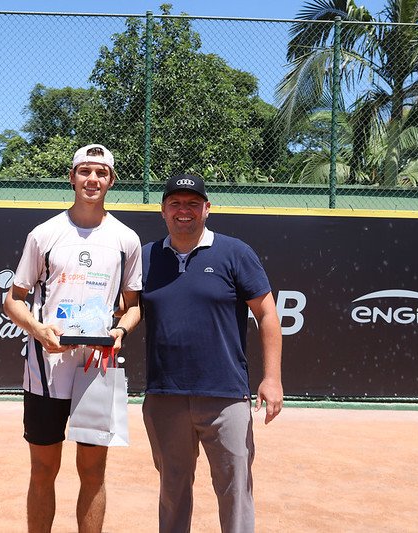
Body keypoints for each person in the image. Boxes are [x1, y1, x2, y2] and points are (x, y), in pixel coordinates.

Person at [3, 144, 142, 533]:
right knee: (44, 469)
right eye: (85, 171)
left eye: (101, 173)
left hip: (97, 369)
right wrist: (38, 330)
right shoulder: (44, 234)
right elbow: (13, 300)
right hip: (46, 369)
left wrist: (119, 331)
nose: (92, 180)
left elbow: (134, 306)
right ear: (72, 177)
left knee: (93, 471)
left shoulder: (125, 239)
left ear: (111, 181)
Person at [141, 174, 283, 533]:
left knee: (235, 492)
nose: (183, 211)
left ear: (207, 208)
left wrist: (272, 378)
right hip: (164, 396)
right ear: (163, 211)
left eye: (192, 203)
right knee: (172, 492)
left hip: (226, 397)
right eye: (175, 203)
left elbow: (267, 313)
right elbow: (125, 311)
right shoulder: (145, 258)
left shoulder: (235, 252)